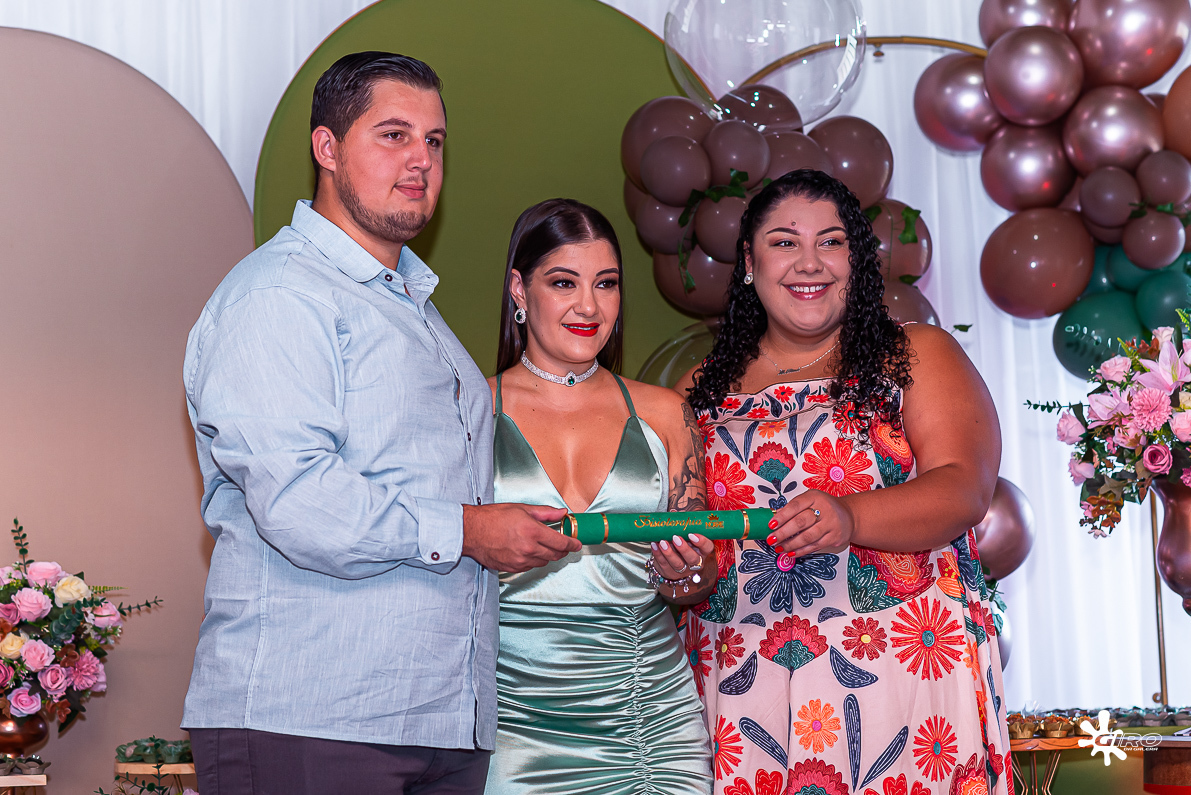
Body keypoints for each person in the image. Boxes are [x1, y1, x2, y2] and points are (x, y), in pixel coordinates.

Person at [181, 52, 580, 795]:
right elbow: (301, 501)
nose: (420, 159)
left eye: (434, 141)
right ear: (327, 148)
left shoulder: (411, 307)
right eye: (393, 135)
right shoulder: (280, 295)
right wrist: (470, 529)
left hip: (437, 717)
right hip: (309, 714)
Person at [674, 170, 1010, 795]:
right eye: (784, 242)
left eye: (831, 242)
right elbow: (688, 550)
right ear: (748, 262)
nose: (810, 263)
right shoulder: (696, 391)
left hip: (900, 670)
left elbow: (964, 489)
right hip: (741, 679)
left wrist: (850, 517)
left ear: (857, 261)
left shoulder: (914, 355)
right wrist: (680, 572)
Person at [486, 198, 715, 795]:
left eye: (606, 284)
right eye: (564, 282)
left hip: (652, 721)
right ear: (519, 289)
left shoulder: (666, 413)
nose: (589, 306)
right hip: (516, 724)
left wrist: (686, 573)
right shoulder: (468, 410)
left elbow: (696, 581)